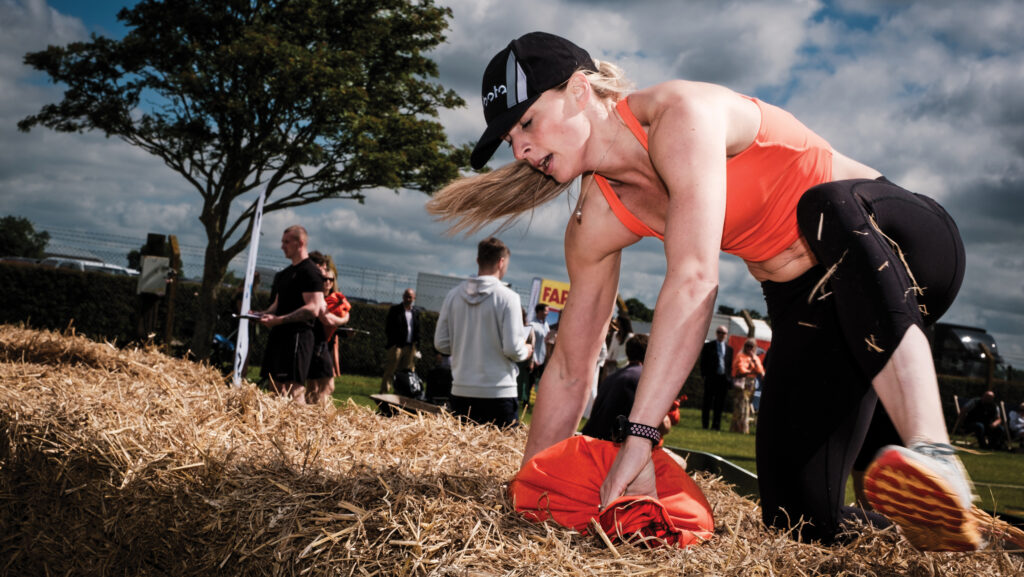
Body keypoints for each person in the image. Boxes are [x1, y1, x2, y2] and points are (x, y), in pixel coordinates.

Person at [427, 32, 977, 549]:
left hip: (899, 245)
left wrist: (638, 440)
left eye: (527, 123)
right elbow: (571, 366)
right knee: (798, 523)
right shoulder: (593, 222)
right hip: (811, 310)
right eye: (510, 140)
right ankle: (954, 533)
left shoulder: (678, 115)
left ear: (578, 90)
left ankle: (936, 457)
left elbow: (694, 280)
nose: (520, 149)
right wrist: (536, 487)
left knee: (825, 207)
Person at [434, 237, 533, 427]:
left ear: (478, 260)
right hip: (499, 392)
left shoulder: (454, 295)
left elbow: (441, 344)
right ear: (501, 262)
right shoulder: (508, 297)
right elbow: (512, 349)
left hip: (462, 389)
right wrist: (526, 350)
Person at [255, 225, 326, 404]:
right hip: (279, 337)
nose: (282, 246)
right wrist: (259, 314)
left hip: (298, 338)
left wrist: (279, 320)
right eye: (282, 242)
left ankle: (300, 430)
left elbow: (313, 308)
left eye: (286, 242)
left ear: (300, 243)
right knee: (275, 387)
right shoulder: (284, 275)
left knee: (294, 391)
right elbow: (278, 304)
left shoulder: (311, 272)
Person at [306, 251, 350, 406]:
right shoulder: (319, 297)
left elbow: (334, 320)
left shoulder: (333, 299)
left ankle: (311, 413)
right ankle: (317, 413)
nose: (328, 282)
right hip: (317, 345)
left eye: (331, 279)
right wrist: (344, 319)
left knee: (314, 387)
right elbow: (328, 319)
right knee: (325, 386)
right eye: (325, 279)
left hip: (323, 344)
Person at [381, 288, 420, 394]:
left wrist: (416, 345)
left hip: (410, 346)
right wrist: (392, 343)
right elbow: (388, 328)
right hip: (397, 346)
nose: (408, 299)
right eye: (406, 296)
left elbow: (417, 329)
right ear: (403, 297)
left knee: (405, 372)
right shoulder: (395, 310)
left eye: (410, 297)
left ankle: (400, 393)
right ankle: (384, 392)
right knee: (390, 370)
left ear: (414, 298)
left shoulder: (415, 312)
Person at [699, 325, 733, 431]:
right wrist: (704, 375)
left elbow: (729, 365)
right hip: (711, 378)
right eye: (719, 332)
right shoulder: (708, 346)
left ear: (726, 335)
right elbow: (703, 362)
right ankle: (705, 425)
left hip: (723, 379)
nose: (721, 335)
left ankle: (716, 425)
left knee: (719, 404)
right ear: (716, 333)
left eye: (723, 333)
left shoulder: (729, 349)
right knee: (707, 402)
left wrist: (729, 378)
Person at [730, 339, 764, 434]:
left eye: (751, 346)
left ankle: (742, 428)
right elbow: (741, 369)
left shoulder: (755, 358)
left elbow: (760, 369)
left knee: (747, 405)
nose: (749, 348)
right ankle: (739, 428)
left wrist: (754, 358)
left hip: (750, 385)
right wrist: (751, 371)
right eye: (747, 346)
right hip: (742, 384)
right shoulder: (740, 356)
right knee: (741, 406)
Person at [525, 303, 550, 404]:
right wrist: (533, 359)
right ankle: (525, 401)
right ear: (539, 311)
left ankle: (538, 403)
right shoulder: (532, 325)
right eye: (545, 311)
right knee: (530, 381)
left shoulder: (546, 325)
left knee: (541, 382)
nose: (547, 313)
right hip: (534, 358)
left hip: (543, 357)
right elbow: (531, 343)